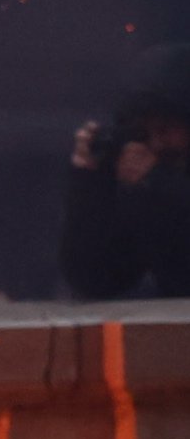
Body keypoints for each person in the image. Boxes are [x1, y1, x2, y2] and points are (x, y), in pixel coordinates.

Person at [61, 43, 190, 299]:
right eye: (144, 132)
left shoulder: (159, 182)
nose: (155, 143)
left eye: (165, 129)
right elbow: (94, 278)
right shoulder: (143, 189)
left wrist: (159, 182)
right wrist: (90, 183)